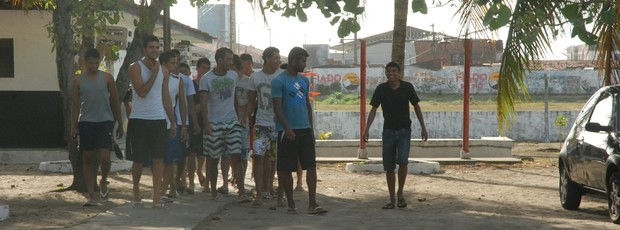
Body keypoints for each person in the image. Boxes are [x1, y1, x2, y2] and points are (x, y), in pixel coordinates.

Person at [363, 61, 428, 210]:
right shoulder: (381, 89)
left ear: (399, 73)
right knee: (389, 166)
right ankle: (392, 199)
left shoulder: (407, 87)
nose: (391, 74)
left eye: (394, 71)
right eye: (388, 71)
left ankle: (400, 194)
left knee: (403, 162)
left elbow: (416, 106)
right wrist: (366, 129)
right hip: (388, 132)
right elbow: (373, 109)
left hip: (405, 131)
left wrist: (423, 127)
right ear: (386, 73)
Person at [272, 47, 327, 214]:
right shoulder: (278, 81)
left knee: (311, 166)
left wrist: (311, 128)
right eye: (303, 61)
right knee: (285, 168)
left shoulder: (304, 81)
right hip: (286, 132)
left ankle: (312, 203)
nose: (304, 64)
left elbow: (307, 105)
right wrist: (286, 128)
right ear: (294, 60)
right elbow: (277, 108)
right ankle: (290, 203)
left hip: (305, 130)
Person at [126, 35, 176, 208]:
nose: (154, 50)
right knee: (138, 159)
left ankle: (156, 197)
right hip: (139, 119)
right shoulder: (135, 67)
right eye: (151, 47)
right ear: (144, 49)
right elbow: (141, 92)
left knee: (158, 159)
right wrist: (154, 73)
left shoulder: (165, 71)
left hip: (158, 119)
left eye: (157, 47)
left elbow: (166, 97)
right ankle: (136, 192)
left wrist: (173, 121)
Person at [70, 48, 124, 206]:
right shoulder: (78, 81)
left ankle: (103, 180)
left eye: (97, 63)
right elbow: (75, 105)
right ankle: (91, 195)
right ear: (84, 63)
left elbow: (115, 101)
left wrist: (120, 123)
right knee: (87, 157)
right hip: (86, 122)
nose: (94, 66)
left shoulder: (107, 78)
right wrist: (74, 126)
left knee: (105, 158)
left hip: (105, 121)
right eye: (91, 63)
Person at [199, 47, 251, 202]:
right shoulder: (207, 79)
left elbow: (234, 97)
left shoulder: (233, 75)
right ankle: (214, 191)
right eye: (228, 59)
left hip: (232, 122)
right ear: (219, 60)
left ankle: (241, 192)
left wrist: (238, 116)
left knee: (237, 156)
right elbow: (203, 103)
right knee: (214, 159)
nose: (230, 62)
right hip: (214, 123)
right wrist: (206, 124)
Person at [247, 47, 283, 206]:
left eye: (279, 58)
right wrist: (246, 119)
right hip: (261, 124)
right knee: (259, 157)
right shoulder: (255, 77)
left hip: (278, 125)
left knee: (273, 158)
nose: (278, 61)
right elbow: (251, 101)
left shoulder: (282, 76)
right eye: (275, 58)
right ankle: (259, 193)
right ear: (267, 59)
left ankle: (269, 188)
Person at [158, 51, 187, 201]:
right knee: (158, 159)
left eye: (177, 63)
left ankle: (164, 191)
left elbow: (182, 103)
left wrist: (183, 124)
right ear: (164, 64)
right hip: (156, 121)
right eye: (173, 63)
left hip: (172, 123)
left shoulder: (178, 81)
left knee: (170, 159)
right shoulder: (155, 79)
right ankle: (161, 189)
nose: (176, 66)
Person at [189, 58, 210, 194]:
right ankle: (191, 182)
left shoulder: (210, 84)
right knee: (192, 153)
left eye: (208, 69)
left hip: (206, 122)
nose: (205, 71)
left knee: (205, 153)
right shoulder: (191, 85)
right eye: (203, 67)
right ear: (197, 68)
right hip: (192, 122)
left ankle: (201, 174)